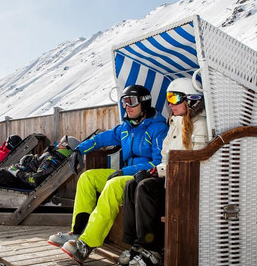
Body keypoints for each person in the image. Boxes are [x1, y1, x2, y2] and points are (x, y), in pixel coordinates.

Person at [48, 85, 168, 264]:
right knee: (87, 177)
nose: (127, 106)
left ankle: (87, 244)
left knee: (112, 185)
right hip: (124, 173)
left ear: (144, 103)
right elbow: (100, 139)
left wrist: (125, 171)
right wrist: (79, 150)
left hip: (142, 177)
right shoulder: (126, 128)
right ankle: (78, 231)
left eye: (131, 102)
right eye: (124, 102)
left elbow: (157, 163)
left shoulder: (158, 128)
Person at [119, 77, 208, 266]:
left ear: (191, 99)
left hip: (185, 182)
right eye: (168, 98)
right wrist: (155, 170)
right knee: (131, 184)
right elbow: (165, 155)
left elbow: (192, 160)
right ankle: (136, 244)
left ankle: (151, 249)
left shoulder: (200, 125)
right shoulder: (175, 123)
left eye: (175, 98)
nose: (170, 103)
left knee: (146, 187)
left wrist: (158, 172)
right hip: (171, 176)